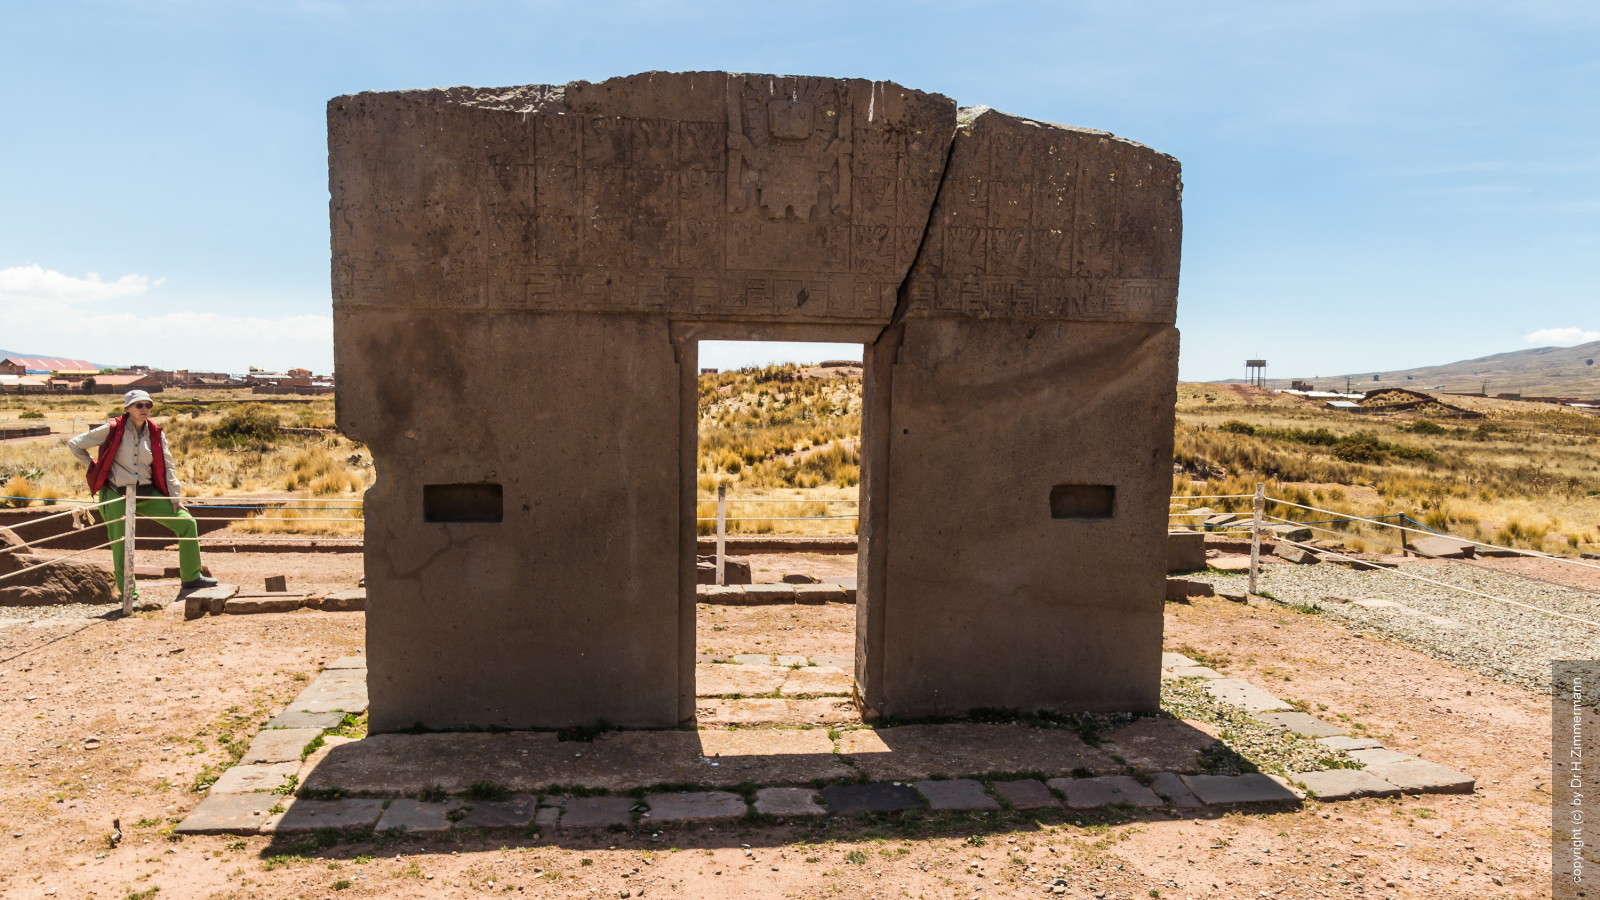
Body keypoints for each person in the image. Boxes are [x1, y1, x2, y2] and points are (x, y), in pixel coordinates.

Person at [66, 389, 217, 602]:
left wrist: (175, 498)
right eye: (139, 405)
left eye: (148, 405)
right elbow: (75, 444)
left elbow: (167, 465)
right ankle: (130, 596)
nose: (144, 409)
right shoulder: (112, 429)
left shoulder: (156, 433)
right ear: (127, 408)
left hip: (146, 492)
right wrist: (94, 468)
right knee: (121, 545)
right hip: (116, 494)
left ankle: (192, 577)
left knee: (187, 524)